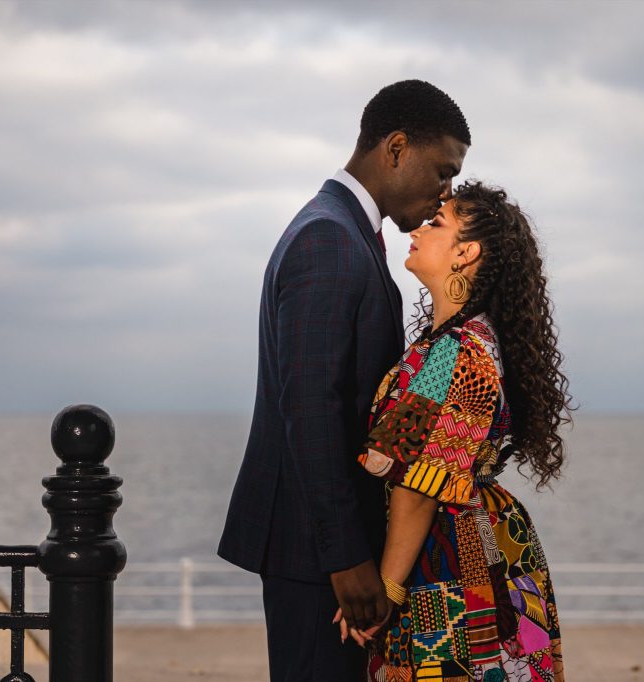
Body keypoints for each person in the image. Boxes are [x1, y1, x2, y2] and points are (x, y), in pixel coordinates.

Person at [217, 79, 471, 681]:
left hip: (321, 548)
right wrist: (346, 557)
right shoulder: (329, 238)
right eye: (443, 171)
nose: (445, 193)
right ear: (397, 148)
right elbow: (311, 407)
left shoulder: (344, 231)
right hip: (316, 555)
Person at [337, 181, 572, 681]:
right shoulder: (468, 338)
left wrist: (385, 591)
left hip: (446, 561)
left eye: (436, 223)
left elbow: (420, 487)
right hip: (483, 544)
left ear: (466, 253)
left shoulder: (455, 350)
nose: (418, 230)